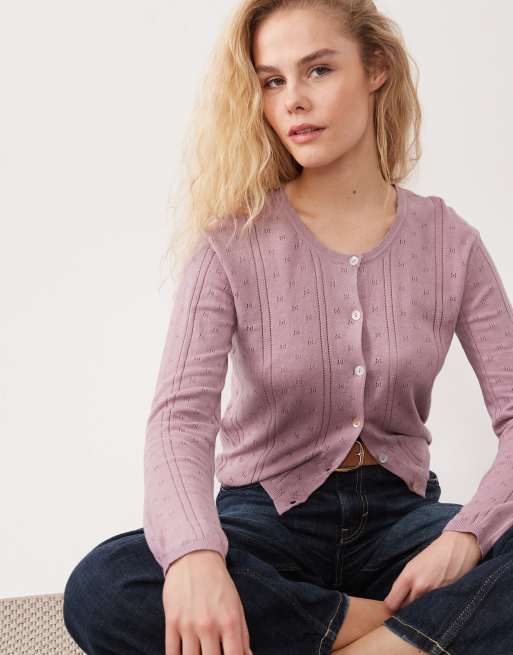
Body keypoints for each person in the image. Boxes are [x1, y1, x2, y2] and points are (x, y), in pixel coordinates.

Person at [63, 1, 513, 654]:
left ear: (376, 68)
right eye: (272, 81)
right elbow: (180, 418)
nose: (293, 100)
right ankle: (395, 635)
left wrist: (465, 538)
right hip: (265, 522)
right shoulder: (231, 244)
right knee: (105, 583)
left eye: (318, 70)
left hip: (403, 525)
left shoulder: (450, 242)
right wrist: (194, 555)